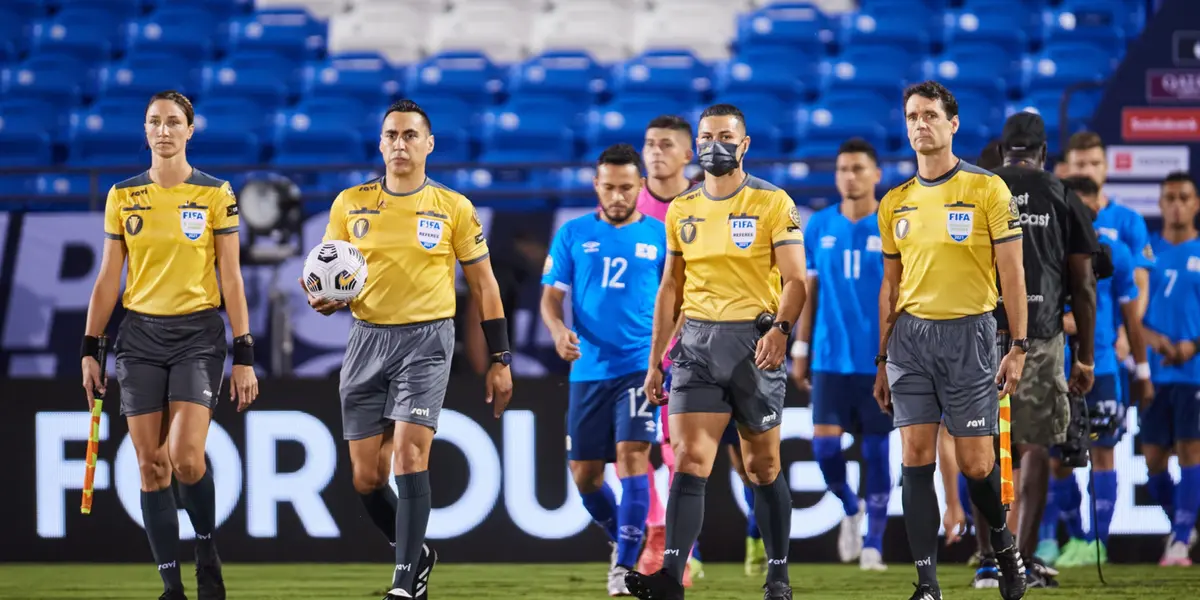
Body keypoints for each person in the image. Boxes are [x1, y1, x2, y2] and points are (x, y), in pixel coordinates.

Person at [304, 99, 514, 600]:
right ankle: (417, 553)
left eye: (410, 135)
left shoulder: (453, 207)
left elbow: (484, 286)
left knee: (409, 455)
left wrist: (501, 359)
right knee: (365, 477)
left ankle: (405, 583)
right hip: (366, 339)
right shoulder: (349, 204)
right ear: (380, 144)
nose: (400, 143)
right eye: (392, 135)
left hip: (427, 340)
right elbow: (329, 269)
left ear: (429, 144)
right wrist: (323, 296)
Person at [81, 90, 259, 600]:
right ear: (145, 131)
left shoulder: (214, 193)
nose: (163, 130)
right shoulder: (123, 195)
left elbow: (232, 277)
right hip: (138, 337)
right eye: (154, 122)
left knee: (185, 457)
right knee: (149, 463)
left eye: (173, 122)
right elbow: (107, 278)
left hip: (198, 335)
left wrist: (244, 354)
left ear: (190, 130)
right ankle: (171, 588)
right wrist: (91, 349)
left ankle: (205, 545)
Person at [625, 103, 807, 600]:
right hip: (697, 345)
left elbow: (795, 281)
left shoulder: (774, 203)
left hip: (754, 344)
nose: (714, 145)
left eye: (725, 136)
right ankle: (670, 577)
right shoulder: (683, 208)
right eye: (706, 136)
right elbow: (671, 288)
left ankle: (777, 575)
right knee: (688, 459)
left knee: (762, 468)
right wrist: (656, 359)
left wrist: (782, 331)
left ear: (744, 145)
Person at [874, 81, 1028, 600]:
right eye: (912, 116)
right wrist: (881, 359)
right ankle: (928, 583)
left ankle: (1004, 548)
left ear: (953, 124)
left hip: (972, 335)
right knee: (915, 454)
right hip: (911, 340)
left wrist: (1020, 345)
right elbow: (890, 286)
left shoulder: (988, 190)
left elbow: (1013, 275)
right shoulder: (894, 201)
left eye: (931, 115)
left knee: (976, 465)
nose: (921, 124)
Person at [959, 113, 1099, 590]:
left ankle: (985, 558)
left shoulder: (979, 189)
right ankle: (1019, 559)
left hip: (978, 334)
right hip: (1037, 337)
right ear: (1044, 153)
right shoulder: (1061, 195)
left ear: (1002, 151)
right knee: (1034, 446)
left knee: (982, 445)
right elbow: (1083, 282)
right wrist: (1085, 356)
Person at [636, 114, 760, 581]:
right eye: (649, 144)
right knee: (666, 452)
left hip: (710, 344)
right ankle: (680, 551)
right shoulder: (632, 203)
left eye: (667, 144)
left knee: (743, 460)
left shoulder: (705, 201)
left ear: (687, 154)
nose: (655, 153)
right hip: (649, 348)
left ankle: (756, 533)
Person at [539, 143, 666, 596]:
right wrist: (557, 331)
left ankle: (626, 566)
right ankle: (625, 539)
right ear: (596, 185)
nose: (617, 196)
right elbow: (551, 298)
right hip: (588, 370)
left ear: (641, 187)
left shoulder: (661, 236)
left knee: (634, 458)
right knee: (585, 476)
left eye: (626, 187)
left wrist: (662, 356)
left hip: (639, 367)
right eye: (609, 187)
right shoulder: (573, 234)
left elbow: (676, 301)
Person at [1036, 176, 1152, 569]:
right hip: (1054, 370)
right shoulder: (1045, 253)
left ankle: (1098, 543)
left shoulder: (1114, 253)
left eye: (1084, 211)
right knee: (1056, 461)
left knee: (1102, 454)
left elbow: (1130, 318)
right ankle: (1074, 536)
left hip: (1101, 368)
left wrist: (1142, 370)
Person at [791, 137, 893, 571]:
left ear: (876, 175)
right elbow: (808, 292)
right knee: (825, 450)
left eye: (857, 169)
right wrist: (800, 344)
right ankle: (851, 508)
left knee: (876, 453)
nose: (849, 177)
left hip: (877, 360)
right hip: (829, 357)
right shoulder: (818, 226)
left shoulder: (890, 225)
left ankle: (874, 543)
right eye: (842, 170)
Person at [1140, 171, 1200, 567]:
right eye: (1169, 198)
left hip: (1193, 372)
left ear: (1195, 204)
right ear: (1160, 205)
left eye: (1184, 197)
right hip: (1155, 373)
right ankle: (1185, 523)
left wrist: (1191, 345)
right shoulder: (1147, 254)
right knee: (1152, 461)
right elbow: (1132, 312)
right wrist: (1154, 339)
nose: (1176, 204)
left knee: (1189, 451)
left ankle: (1179, 541)